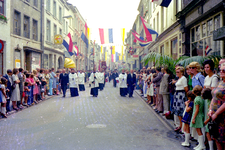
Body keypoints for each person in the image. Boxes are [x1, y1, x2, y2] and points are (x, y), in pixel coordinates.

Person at [208, 64, 225, 150]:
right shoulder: (220, 82)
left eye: (224, 70)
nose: (221, 72)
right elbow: (214, 96)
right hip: (215, 116)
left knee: (223, 140)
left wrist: (217, 113)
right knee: (216, 139)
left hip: (222, 117)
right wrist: (210, 109)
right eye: (220, 70)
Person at [203, 59, 219, 150]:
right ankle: (208, 145)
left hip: (211, 102)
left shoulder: (214, 78)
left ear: (211, 67)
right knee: (206, 126)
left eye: (208, 67)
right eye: (205, 67)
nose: (206, 69)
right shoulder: (206, 77)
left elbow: (213, 93)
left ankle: (213, 147)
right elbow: (204, 89)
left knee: (210, 124)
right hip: (205, 101)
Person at [172, 66, 188, 132]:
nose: (177, 73)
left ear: (182, 72)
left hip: (181, 95)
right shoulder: (179, 78)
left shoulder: (183, 78)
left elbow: (186, 89)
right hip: (177, 95)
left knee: (180, 112)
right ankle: (180, 126)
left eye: (178, 72)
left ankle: (182, 127)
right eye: (176, 72)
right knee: (177, 112)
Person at [190, 85, 205, 150]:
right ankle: (200, 144)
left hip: (197, 116)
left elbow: (197, 109)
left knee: (198, 130)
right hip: (200, 115)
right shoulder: (201, 98)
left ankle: (202, 145)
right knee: (199, 130)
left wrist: (193, 118)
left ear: (194, 92)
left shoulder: (196, 99)